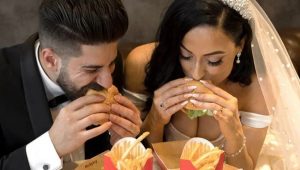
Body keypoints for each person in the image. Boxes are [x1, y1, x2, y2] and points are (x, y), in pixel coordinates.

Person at [124, 0, 300, 169]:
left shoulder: (260, 87)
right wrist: (155, 119)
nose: (196, 73)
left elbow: (244, 168)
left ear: (241, 45)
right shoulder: (141, 64)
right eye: (186, 55)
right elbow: (133, 156)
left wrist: (234, 134)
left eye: (214, 61)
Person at [0, 0, 142, 169]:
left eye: (111, 64)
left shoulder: (103, 61)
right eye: (91, 70)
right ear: (51, 60)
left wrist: (123, 141)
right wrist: (51, 146)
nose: (108, 81)